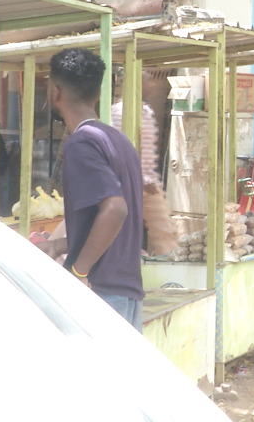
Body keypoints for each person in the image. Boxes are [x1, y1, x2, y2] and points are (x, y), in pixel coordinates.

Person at [36, 48, 145, 331]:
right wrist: (58, 245)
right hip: (127, 290)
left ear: (55, 92)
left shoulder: (81, 143)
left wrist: (78, 270)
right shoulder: (118, 140)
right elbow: (110, 223)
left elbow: (115, 210)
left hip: (101, 293)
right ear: (97, 94)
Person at [110, 70, 176, 255]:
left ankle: (165, 262)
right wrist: (139, 178)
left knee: (163, 231)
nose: (152, 85)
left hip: (147, 182)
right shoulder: (119, 112)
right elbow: (120, 150)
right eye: (147, 81)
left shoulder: (145, 110)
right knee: (123, 228)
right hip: (126, 182)